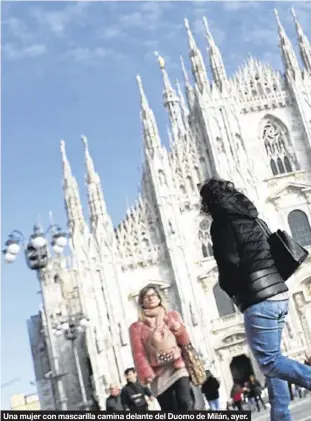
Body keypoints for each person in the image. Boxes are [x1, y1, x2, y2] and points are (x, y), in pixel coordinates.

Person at [200, 178, 311, 421]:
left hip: (258, 296)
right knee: (274, 362)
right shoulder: (250, 216)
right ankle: (280, 416)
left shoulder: (221, 223)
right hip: (279, 292)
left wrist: (229, 287)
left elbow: (229, 262)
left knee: (270, 361)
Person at [129, 283, 193, 411]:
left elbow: (185, 341)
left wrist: (179, 330)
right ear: (141, 301)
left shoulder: (171, 316)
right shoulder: (136, 327)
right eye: (146, 297)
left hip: (177, 366)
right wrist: (146, 372)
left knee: (185, 402)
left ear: (159, 298)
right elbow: (138, 352)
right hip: (158, 374)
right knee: (170, 409)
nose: (151, 298)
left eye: (154, 295)